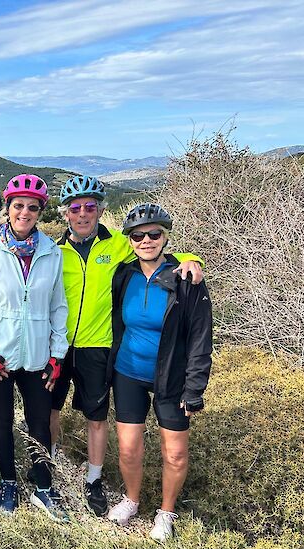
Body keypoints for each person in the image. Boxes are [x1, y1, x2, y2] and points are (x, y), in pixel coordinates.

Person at [50, 175, 204, 518]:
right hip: (59, 343)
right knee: (51, 408)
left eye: (91, 207)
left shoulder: (119, 244)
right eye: (75, 208)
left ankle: (93, 478)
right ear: (65, 214)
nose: (83, 214)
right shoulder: (53, 250)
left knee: (95, 415)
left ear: (101, 211)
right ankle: (50, 465)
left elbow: (156, 250)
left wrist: (193, 259)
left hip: (99, 343)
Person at [0, 174, 69, 519]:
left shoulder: (52, 253)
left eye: (32, 208)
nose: (25, 212)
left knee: (39, 422)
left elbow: (58, 307)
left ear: (40, 212)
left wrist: (57, 354)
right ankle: (8, 483)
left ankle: (43, 487)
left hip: (37, 356)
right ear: (7, 209)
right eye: (18, 206)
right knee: (3, 422)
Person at [106, 204, 212, 541]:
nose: (147, 240)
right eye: (138, 235)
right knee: (128, 448)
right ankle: (132, 499)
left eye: (154, 234)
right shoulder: (123, 275)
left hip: (172, 377)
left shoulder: (186, 278)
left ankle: (166, 513)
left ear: (165, 237)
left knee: (175, 451)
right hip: (128, 372)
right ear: (130, 240)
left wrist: (194, 388)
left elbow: (200, 335)